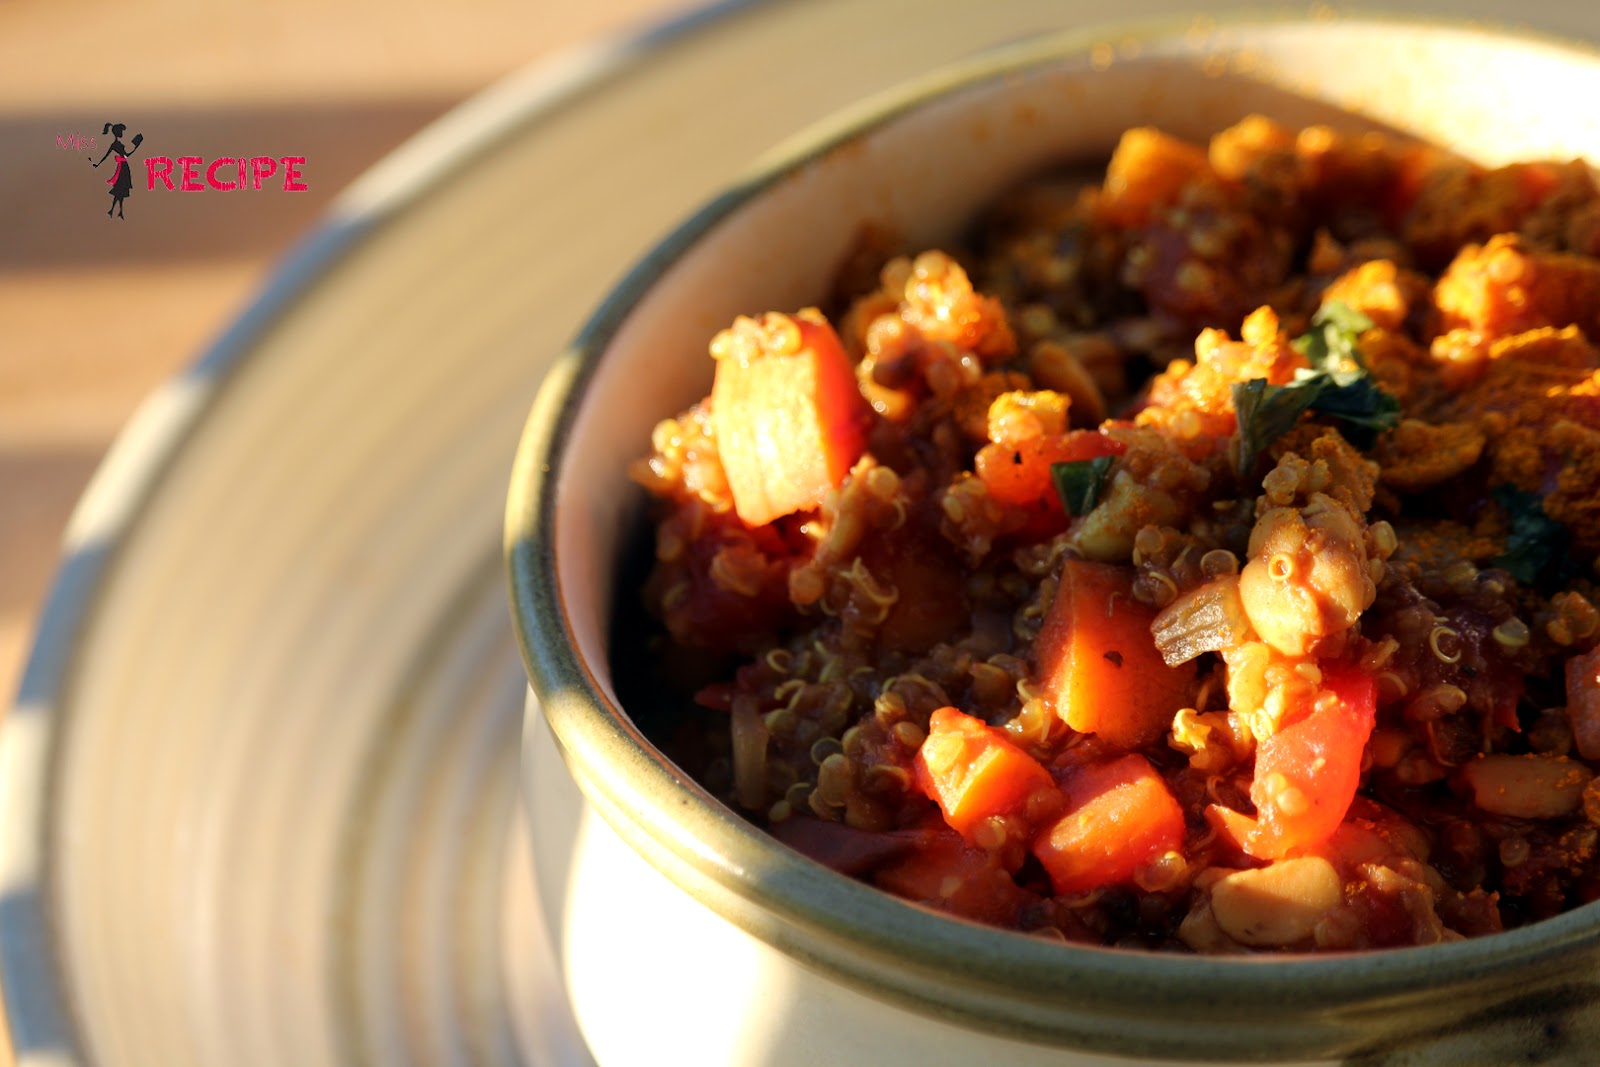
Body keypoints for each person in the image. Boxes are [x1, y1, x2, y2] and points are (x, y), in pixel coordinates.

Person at [91, 122, 141, 219]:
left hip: (124, 167)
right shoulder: (115, 144)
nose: (122, 133)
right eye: (121, 131)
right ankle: (116, 211)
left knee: (120, 191)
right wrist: (135, 149)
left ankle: (116, 211)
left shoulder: (117, 144)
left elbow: (124, 155)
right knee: (119, 190)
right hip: (123, 168)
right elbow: (112, 155)